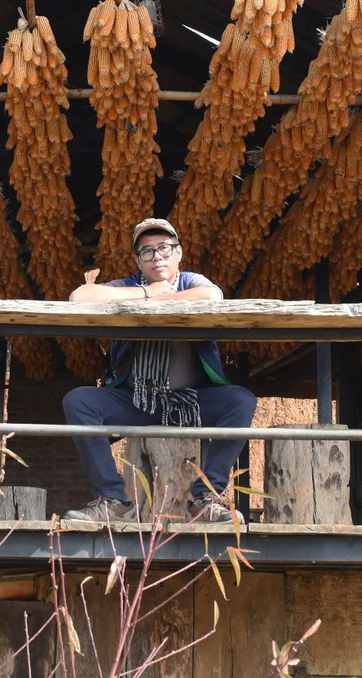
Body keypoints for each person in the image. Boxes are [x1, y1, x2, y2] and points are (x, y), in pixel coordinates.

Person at [61, 217, 256, 525]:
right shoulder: (128, 285)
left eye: (164, 248)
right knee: (78, 401)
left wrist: (168, 298)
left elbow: (211, 296)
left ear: (178, 253)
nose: (157, 256)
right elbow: (81, 296)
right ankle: (112, 499)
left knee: (241, 400)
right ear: (138, 260)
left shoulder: (192, 281)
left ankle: (206, 498)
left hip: (189, 402)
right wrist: (148, 294)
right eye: (147, 251)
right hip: (136, 402)